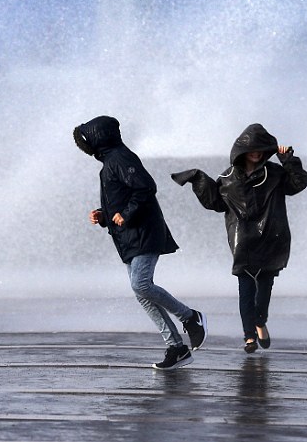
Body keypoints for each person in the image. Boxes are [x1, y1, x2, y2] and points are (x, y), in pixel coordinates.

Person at [73, 115, 207, 370]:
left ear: (99, 137)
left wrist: (126, 214)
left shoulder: (120, 158)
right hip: (129, 237)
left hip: (144, 231)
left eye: (88, 138)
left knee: (141, 284)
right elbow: (121, 199)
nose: (86, 143)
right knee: (141, 292)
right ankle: (177, 348)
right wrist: (103, 215)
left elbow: (146, 188)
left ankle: (191, 317)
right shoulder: (110, 163)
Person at [172, 123, 307, 353]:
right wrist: (196, 178)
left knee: (263, 293)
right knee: (245, 290)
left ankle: (260, 322)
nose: (256, 153)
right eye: (251, 149)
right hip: (242, 240)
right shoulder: (227, 178)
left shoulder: (274, 173)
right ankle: (249, 337)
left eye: (260, 148)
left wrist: (288, 160)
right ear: (240, 151)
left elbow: (299, 183)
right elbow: (214, 203)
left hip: (271, 238)